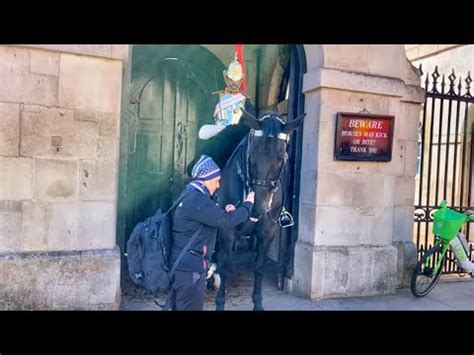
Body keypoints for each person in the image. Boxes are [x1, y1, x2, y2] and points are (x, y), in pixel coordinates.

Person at [168, 155, 255, 310]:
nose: (218, 185)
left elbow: (212, 217)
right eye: (216, 180)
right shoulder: (197, 200)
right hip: (190, 271)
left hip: (182, 266)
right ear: (206, 179)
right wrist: (248, 205)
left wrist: (225, 211)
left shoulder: (190, 196)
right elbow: (226, 221)